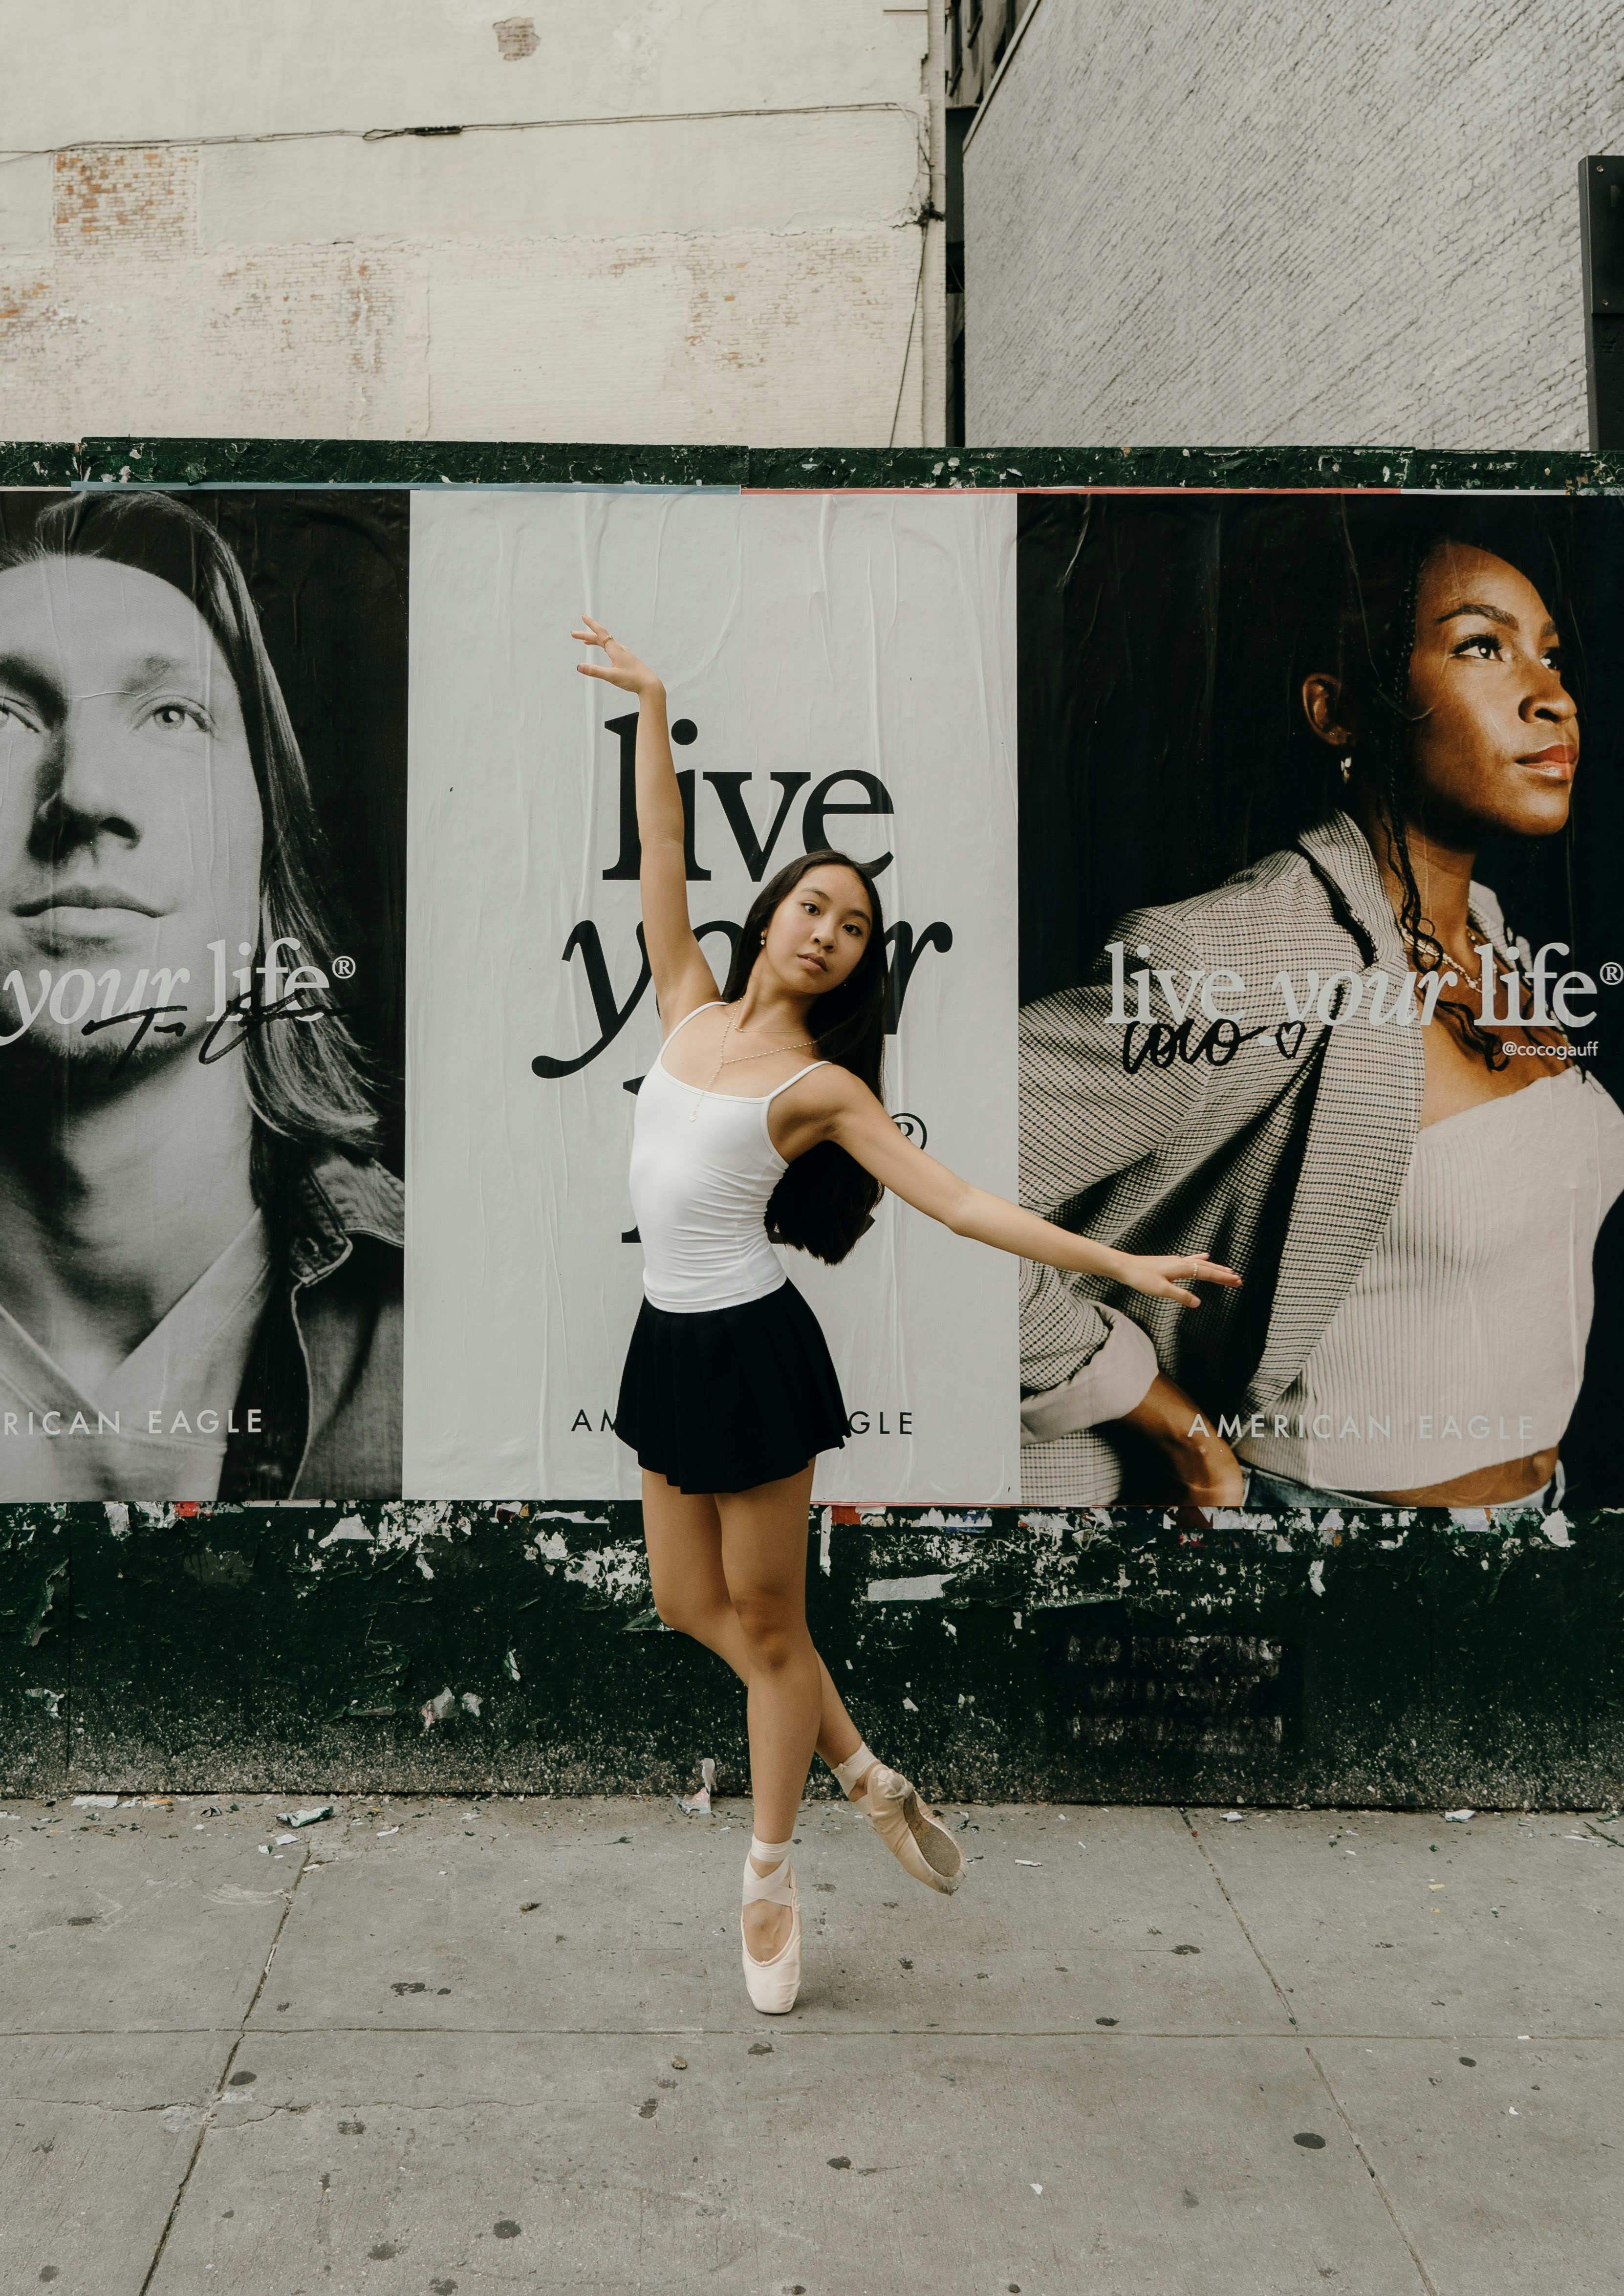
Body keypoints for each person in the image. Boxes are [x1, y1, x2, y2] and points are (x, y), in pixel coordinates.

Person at [569, 611, 1240, 2015]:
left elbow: (963, 1205)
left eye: (854, 927)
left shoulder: (822, 1087)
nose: (827, 932)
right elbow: (660, 851)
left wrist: (1124, 1268)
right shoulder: (685, 1003)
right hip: (666, 1340)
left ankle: (768, 1879)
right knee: (686, 1602)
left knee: (770, 1631)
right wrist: (653, 703)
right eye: (812, 906)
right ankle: (867, 1772)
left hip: (752, 1353)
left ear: (859, 962)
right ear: (769, 915)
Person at [1018, 511, 1624, 1518]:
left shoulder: (1495, 940)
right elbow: (904, 1174)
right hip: (1328, 1545)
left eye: (1550, 656)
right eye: (1481, 646)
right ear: (1338, 711)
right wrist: (1160, 1414)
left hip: (1541, 1527)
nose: (1552, 697)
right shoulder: (1244, 958)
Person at [0, 490, 402, 1501]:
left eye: (172, 715)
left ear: (269, 855)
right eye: (4, 715)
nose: (84, 794)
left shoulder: (470, 1321)